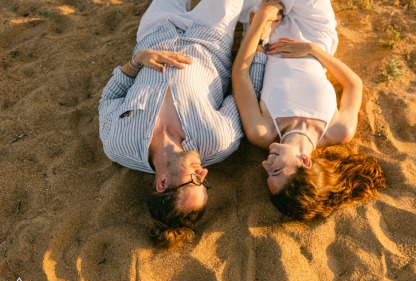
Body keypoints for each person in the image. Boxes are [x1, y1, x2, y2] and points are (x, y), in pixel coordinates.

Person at [99, 0, 247, 248]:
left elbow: (109, 98)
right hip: (210, 35)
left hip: (155, 32)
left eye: (195, 181)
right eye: (204, 182)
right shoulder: (219, 141)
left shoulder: (118, 144)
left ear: (163, 183)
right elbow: (244, 91)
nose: (204, 173)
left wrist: (137, 61)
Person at [232, 0, 386, 220]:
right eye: (275, 170)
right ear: (305, 161)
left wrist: (261, 21)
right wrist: (311, 49)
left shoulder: (262, 132)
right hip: (314, 34)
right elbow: (353, 85)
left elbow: (240, 74)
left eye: (267, 173)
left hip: (267, 32)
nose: (266, 163)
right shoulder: (339, 131)